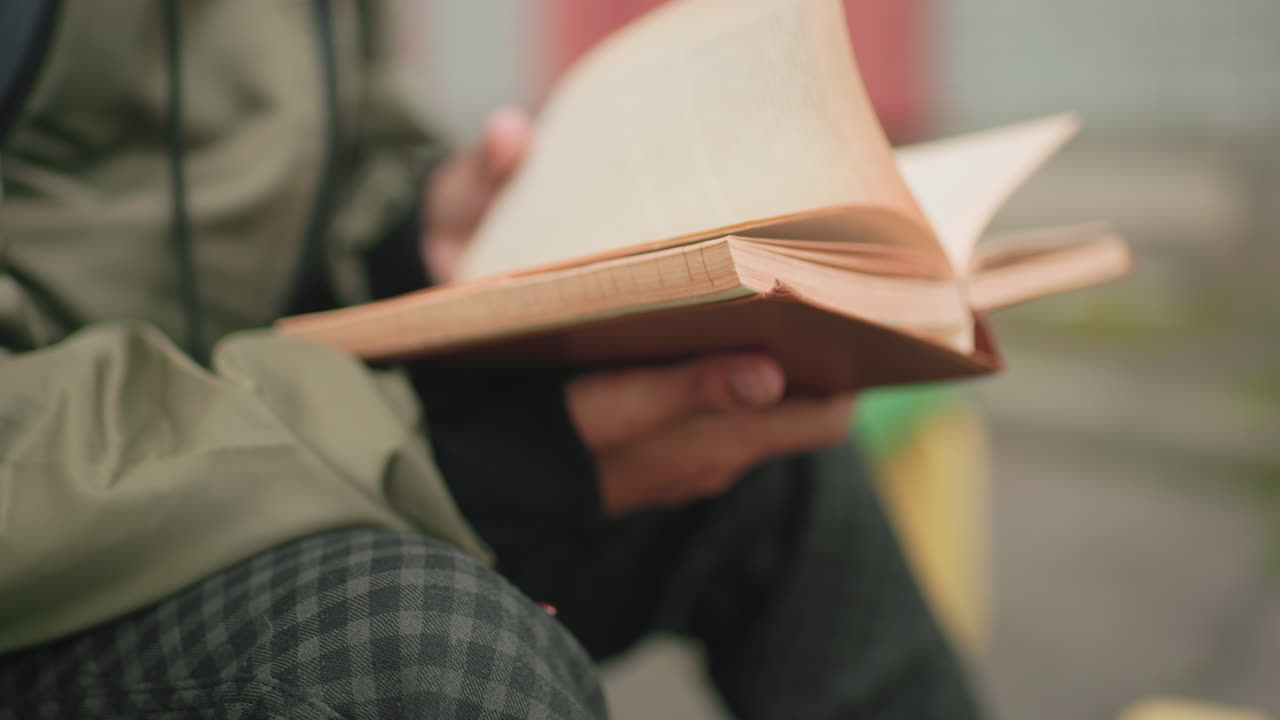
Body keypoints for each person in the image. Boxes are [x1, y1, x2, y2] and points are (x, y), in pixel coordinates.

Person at [0, 2, 981, 718]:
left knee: (761, 460)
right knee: (434, 660)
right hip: (49, 566)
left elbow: (308, 165)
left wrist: (410, 230)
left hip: (238, 437)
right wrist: (439, 452)